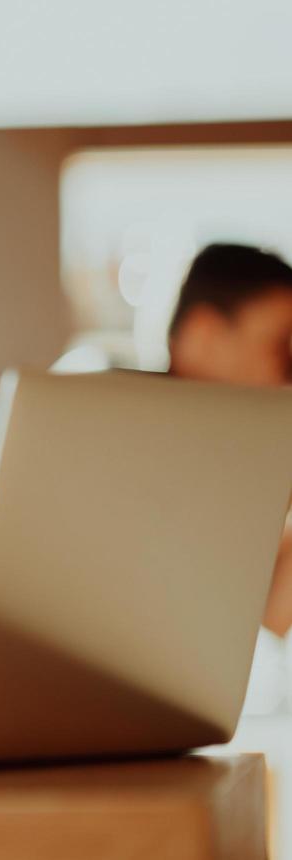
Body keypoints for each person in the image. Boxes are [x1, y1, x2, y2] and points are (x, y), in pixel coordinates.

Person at [166, 243, 292, 636]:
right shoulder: (104, 435)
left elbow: (273, 616)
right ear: (203, 336)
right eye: (279, 346)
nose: (286, 374)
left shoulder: (247, 455)